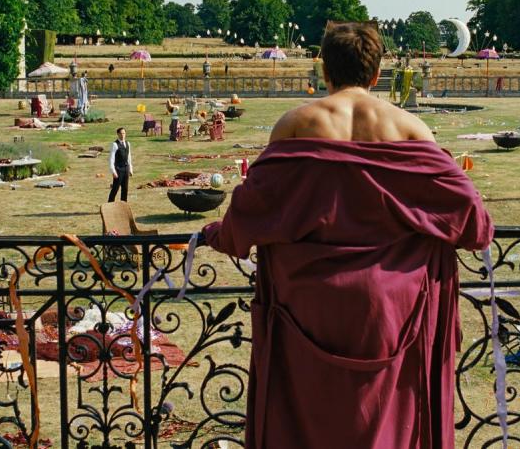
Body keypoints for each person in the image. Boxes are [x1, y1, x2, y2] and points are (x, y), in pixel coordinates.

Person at [203, 22, 494, 448]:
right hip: (394, 312)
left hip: (305, 305)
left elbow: (252, 210)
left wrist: (218, 234)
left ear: (324, 70)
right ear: (377, 74)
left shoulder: (296, 124)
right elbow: (472, 220)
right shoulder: (411, 129)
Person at [107, 127, 134, 202]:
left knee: (125, 188)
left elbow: (129, 157)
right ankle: (110, 204)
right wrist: (113, 171)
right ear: (118, 134)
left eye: (124, 133)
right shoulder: (115, 144)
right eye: (121, 133)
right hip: (118, 169)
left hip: (126, 169)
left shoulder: (128, 143)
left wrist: (130, 169)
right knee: (115, 188)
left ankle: (123, 205)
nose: (122, 135)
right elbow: (111, 159)